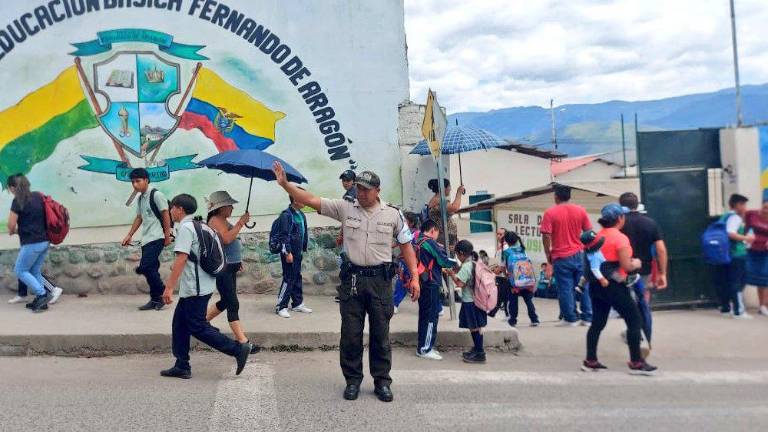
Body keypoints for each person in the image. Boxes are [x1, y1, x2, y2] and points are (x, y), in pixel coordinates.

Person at [271, 162, 419, 403]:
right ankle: (352, 380)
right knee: (350, 334)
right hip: (352, 280)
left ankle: (382, 381)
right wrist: (285, 184)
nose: (361, 193)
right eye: (359, 188)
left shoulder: (393, 214)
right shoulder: (345, 207)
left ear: (378, 190)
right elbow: (311, 199)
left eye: (366, 189)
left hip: (381, 283)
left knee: (381, 334)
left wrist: (414, 277)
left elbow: (406, 245)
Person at [159, 194, 251, 379]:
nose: (170, 212)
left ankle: (237, 349)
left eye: (172, 209)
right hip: (199, 285)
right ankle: (182, 365)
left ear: (179, 209)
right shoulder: (200, 225)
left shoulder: (186, 228)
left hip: (196, 287)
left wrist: (169, 287)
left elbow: (182, 258)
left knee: (197, 326)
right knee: (179, 324)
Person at [582, 203, 657, 375]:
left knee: (597, 323)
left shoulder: (596, 237)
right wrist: (636, 263)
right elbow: (626, 265)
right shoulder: (620, 238)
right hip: (615, 286)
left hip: (597, 285)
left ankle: (590, 359)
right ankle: (636, 362)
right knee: (634, 320)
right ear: (620, 219)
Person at [204, 191, 259, 352]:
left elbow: (229, 243)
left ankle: (201, 323)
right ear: (221, 208)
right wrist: (241, 223)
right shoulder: (215, 221)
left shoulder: (222, 219)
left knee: (227, 300)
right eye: (229, 205)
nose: (232, 208)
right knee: (232, 303)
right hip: (224, 269)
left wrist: (237, 260)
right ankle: (243, 342)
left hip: (230, 266)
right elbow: (227, 239)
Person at [540, 185, 593, 326]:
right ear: (569, 196)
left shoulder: (550, 213)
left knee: (565, 288)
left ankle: (571, 318)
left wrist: (548, 255)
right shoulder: (580, 210)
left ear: (556, 196)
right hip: (580, 254)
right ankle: (587, 317)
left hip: (561, 256)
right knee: (584, 286)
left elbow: (546, 235)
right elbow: (589, 232)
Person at [121, 168, 172, 311]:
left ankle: (162, 293)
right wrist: (129, 234)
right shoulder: (140, 199)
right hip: (146, 239)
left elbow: (166, 214)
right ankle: (155, 299)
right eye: (132, 182)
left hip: (157, 237)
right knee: (152, 270)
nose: (135, 185)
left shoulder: (157, 195)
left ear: (146, 180)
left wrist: (167, 236)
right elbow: (139, 217)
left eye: (138, 181)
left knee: (146, 266)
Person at [6, 174, 52, 312]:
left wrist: (13, 231)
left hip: (32, 242)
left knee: (20, 270)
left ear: (13, 188)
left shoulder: (17, 201)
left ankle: (42, 294)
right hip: (44, 240)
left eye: (9, 188)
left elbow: (11, 224)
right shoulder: (38, 196)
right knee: (34, 270)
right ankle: (41, 301)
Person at [415, 219, 455, 360]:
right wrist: (456, 263)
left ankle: (423, 346)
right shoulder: (429, 242)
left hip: (422, 282)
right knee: (431, 317)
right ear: (433, 230)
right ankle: (425, 349)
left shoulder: (418, 240)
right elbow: (443, 260)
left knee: (424, 316)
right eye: (437, 233)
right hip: (431, 283)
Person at [618, 192, 669, 302]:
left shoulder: (618, 224)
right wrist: (662, 273)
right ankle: (643, 314)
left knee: (627, 297)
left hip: (623, 267)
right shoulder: (650, 223)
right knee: (643, 295)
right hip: (644, 268)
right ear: (637, 205)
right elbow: (661, 250)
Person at [710, 194, 753, 319]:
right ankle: (738, 310)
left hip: (723, 254)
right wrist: (746, 238)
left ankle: (725, 307)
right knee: (738, 281)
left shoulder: (724, 217)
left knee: (725, 280)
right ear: (738, 205)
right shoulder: (735, 218)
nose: (745, 207)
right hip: (736, 253)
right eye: (744, 204)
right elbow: (731, 233)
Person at [445, 239, 488, 363]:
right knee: (477, 326)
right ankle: (477, 349)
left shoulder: (466, 266)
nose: (458, 257)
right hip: (479, 300)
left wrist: (451, 274)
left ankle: (480, 353)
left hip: (470, 301)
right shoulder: (475, 262)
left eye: (458, 254)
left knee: (474, 327)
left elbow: (460, 283)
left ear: (462, 253)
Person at [274, 189, 312, 318]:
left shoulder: (300, 214)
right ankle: (281, 306)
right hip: (289, 253)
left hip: (298, 252)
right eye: (303, 197)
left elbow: (303, 232)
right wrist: (287, 252)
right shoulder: (286, 215)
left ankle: (297, 303)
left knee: (297, 277)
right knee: (289, 278)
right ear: (295, 200)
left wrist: (302, 248)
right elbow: (283, 236)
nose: (306, 200)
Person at [502, 231, 540, 327]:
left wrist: (507, 276)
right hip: (526, 280)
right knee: (528, 300)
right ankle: (534, 319)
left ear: (506, 241)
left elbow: (503, 267)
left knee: (513, 301)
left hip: (514, 282)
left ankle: (513, 321)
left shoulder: (506, 252)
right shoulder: (523, 250)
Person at [425, 178, 464, 252]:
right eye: (449, 186)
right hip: (443, 236)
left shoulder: (438, 200)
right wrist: (458, 193)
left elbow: (450, 211)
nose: (450, 189)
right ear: (444, 188)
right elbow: (454, 207)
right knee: (447, 258)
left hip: (446, 235)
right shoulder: (438, 200)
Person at [744, 200, 768, 317]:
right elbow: (744, 225)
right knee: (744, 274)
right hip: (750, 250)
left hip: (765, 252)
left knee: (764, 277)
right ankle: (736, 303)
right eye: (764, 207)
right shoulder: (752, 214)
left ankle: (763, 306)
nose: (766, 210)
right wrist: (744, 238)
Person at [393, 212, 420, 313]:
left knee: (403, 283)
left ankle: (394, 304)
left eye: (405, 220)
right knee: (402, 283)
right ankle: (395, 303)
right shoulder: (403, 233)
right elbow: (395, 244)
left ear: (411, 223)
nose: (402, 222)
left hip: (412, 264)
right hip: (405, 263)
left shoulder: (416, 234)